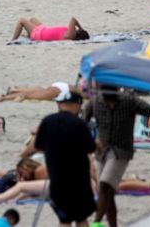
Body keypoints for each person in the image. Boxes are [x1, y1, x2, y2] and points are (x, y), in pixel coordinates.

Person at [83, 87, 150, 227]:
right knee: (108, 193)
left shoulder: (129, 100)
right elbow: (82, 122)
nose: (109, 104)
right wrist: (89, 142)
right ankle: (112, 225)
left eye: (111, 101)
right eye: (106, 101)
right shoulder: (95, 101)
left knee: (104, 184)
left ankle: (96, 222)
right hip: (101, 152)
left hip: (121, 151)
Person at [21, 90, 96, 227]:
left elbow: (38, 145)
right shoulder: (79, 124)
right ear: (77, 105)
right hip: (79, 180)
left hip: (57, 180)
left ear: (59, 104)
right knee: (81, 219)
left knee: (64, 220)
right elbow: (90, 148)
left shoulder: (47, 121)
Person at [12, 16, 89, 42]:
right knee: (32, 19)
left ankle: (13, 40)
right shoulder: (71, 35)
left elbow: (73, 19)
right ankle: (29, 35)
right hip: (44, 30)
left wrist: (81, 27)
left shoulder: (71, 35)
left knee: (21, 20)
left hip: (40, 34)